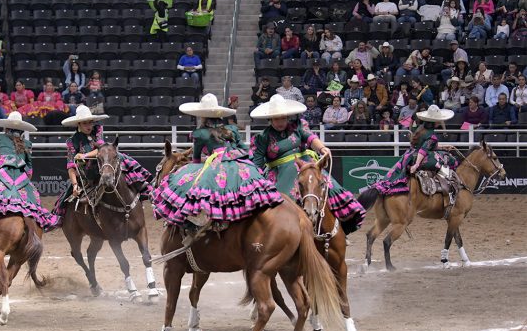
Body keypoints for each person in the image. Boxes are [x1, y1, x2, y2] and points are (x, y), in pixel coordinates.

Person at [154, 94, 283, 239]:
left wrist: (201, 162)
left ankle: (201, 223)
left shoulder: (199, 133)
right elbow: (245, 150)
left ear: (202, 115)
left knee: (198, 189)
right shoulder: (231, 129)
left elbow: (196, 159)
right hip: (237, 159)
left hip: (216, 162)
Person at [250, 94, 366, 234]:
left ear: (287, 117)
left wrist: (322, 148)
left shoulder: (298, 125)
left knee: (331, 187)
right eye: (276, 118)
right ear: (270, 119)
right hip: (280, 173)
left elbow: (310, 138)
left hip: (307, 165)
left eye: (283, 118)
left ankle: (341, 229)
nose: (280, 121)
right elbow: (256, 164)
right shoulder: (262, 137)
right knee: (279, 204)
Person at [52, 105, 153, 224]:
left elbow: (102, 149)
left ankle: (141, 190)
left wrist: (84, 155)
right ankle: (60, 218)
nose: (89, 126)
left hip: (105, 164)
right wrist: (74, 185)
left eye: (90, 122)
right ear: (78, 124)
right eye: (85, 123)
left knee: (122, 166)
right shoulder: (71, 141)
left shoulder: (98, 129)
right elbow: (70, 166)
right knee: (65, 199)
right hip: (87, 173)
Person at [372, 105, 458, 196]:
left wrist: (443, 147)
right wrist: (416, 165)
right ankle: (448, 188)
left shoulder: (421, 128)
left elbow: (425, 146)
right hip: (420, 158)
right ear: (436, 122)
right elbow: (423, 150)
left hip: (410, 155)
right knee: (450, 159)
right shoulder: (431, 136)